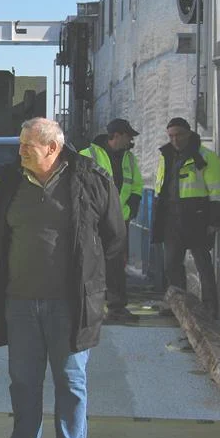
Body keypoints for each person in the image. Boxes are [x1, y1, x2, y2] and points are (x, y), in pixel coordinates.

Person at [0, 118, 125, 438]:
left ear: (52, 148)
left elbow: (114, 237)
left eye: (28, 145)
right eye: (22, 143)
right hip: (20, 303)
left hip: (70, 306)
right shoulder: (11, 182)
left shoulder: (89, 179)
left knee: (71, 382)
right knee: (24, 383)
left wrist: (93, 282)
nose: (21, 150)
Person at [151, 117, 220, 318]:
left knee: (203, 266)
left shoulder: (206, 157)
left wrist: (213, 221)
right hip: (171, 218)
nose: (175, 139)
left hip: (197, 217)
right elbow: (161, 187)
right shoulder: (165, 156)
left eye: (179, 134)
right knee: (171, 264)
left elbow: (217, 192)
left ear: (189, 133)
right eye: (171, 135)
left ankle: (210, 308)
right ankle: (178, 305)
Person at [80, 118, 144, 322]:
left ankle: (116, 308)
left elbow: (137, 187)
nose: (131, 140)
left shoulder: (129, 159)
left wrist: (132, 208)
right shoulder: (87, 155)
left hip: (118, 220)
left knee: (116, 266)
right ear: (116, 135)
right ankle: (89, 308)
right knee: (90, 263)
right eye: (128, 136)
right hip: (93, 220)